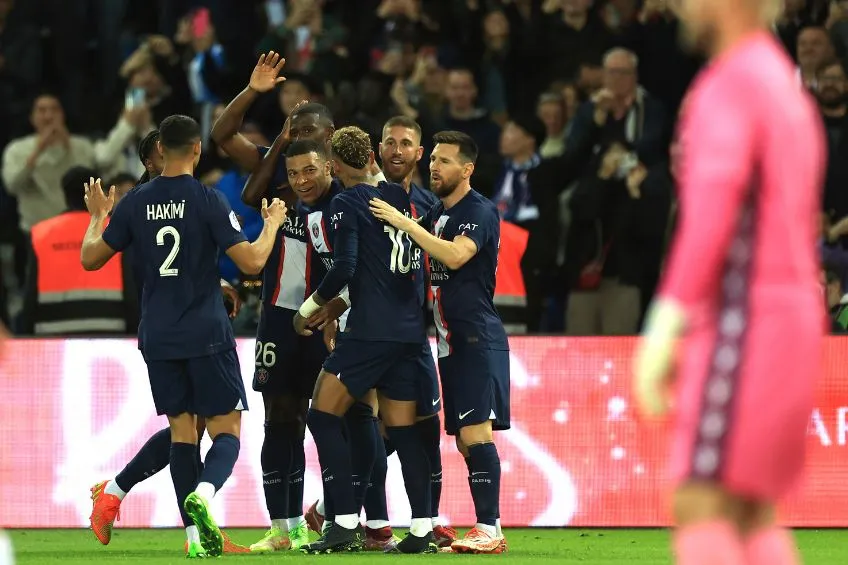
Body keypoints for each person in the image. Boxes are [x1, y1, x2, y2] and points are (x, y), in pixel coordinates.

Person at [631, 0, 826, 564]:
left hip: (746, 319)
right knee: (749, 510)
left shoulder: (729, 84)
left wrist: (666, 322)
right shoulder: (781, 83)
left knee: (701, 502)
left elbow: (712, 215)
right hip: (789, 315)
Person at [80, 115, 288, 558]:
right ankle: (203, 499)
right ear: (196, 149)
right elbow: (251, 263)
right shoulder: (208, 199)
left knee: (183, 433)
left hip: (158, 334)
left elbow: (90, 259)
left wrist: (97, 217)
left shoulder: (136, 202)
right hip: (206, 332)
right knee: (226, 429)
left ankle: (187, 535)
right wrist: (271, 225)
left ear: (162, 150)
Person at [212, 52, 337, 551]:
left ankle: (337, 514)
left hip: (329, 318)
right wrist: (254, 92)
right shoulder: (277, 171)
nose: (298, 134)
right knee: (280, 419)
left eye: (309, 128)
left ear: (332, 138)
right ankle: (283, 528)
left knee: (336, 421)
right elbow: (222, 135)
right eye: (291, 126)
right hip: (279, 321)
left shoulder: (348, 185)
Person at [292, 126, 436, 554]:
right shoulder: (402, 200)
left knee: (322, 415)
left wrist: (307, 311)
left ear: (334, 166)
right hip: (410, 335)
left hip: (370, 332)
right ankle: (422, 530)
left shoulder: (347, 201)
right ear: (372, 156)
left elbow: (345, 266)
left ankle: (342, 523)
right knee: (405, 433)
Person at [370, 130, 510, 554]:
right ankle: (484, 527)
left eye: (445, 161)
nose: (435, 167)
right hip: (448, 341)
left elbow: (455, 256)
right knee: (466, 439)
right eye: (433, 160)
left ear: (467, 169)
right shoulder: (437, 215)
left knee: (475, 433)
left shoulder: (478, 211)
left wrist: (405, 223)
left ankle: (490, 528)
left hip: (475, 337)